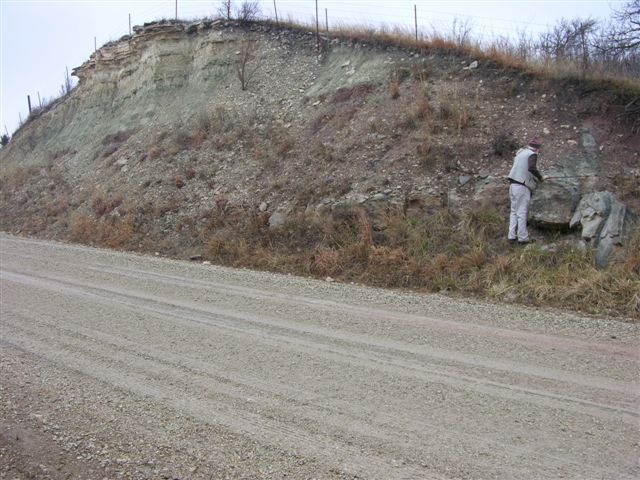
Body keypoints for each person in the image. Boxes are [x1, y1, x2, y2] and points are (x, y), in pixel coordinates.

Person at [507, 137, 544, 244]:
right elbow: (531, 168)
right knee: (522, 212)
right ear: (537, 148)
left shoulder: (520, 153)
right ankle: (523, 238)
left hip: (512, 185)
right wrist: (540, 178)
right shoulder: (532, 154)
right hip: (522, 186)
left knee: (514, 211)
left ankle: (511, 236)